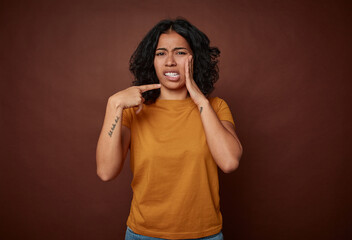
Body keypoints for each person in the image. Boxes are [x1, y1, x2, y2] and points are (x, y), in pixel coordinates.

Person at [96, 18, 243, 240]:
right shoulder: (134, 111)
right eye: (161, 53)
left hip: (204, 236)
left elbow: (230, 162)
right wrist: (113, 104)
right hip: (143, 235)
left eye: (181, 52)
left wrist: (199, 99)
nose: (170, 61)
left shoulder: (215, 107)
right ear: (151, 61)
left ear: (195, 59)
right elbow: (106, 172)